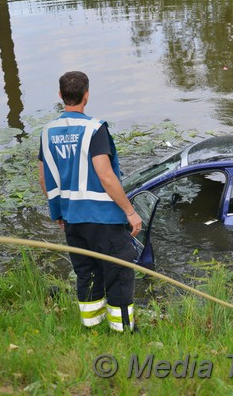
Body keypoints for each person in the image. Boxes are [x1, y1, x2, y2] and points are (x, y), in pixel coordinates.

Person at [38, 71, 142, 333]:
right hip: (103, 218)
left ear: (60, 95)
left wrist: (59, 211)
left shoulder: (48, 131)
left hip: (72, 218)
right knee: (118, 271)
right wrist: (130, 212)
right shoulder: (95, 128)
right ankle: (123, 330)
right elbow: (105, 175)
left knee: (87, 271)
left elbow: (43, 177)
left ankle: (91, 326)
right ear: (87, 95)